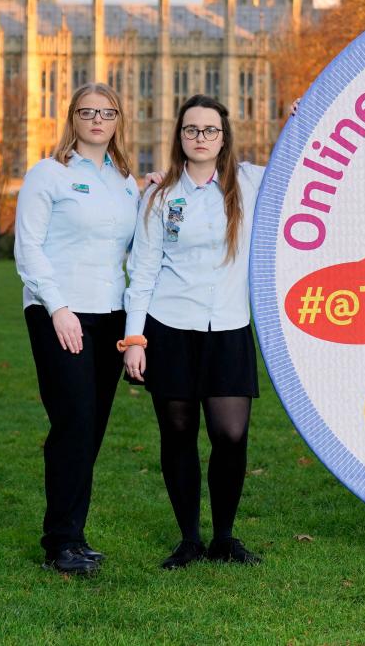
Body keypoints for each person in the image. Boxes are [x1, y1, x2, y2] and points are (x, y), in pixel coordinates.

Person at [121, 94, 275, 569]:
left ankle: (224, 538)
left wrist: (306, 118)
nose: (201, 138)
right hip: (170, 329)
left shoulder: (249, 183)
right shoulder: (160, 196)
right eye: (191, 130)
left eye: (210, 130)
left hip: (229, 327)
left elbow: (303, 163)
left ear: (224, 137)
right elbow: (142, 272)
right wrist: (134, 340)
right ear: (179, 137)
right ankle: (189, 539)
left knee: (230, 434)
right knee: (179, 433)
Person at [14, 82, 139, 574]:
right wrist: (58, 307)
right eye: (87, 112)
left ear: (117, 121)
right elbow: (29, 248)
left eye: (106, 113)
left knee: (93, 428)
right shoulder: (49, 174)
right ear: (73, 117)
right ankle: (59, 542)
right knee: (73, 421)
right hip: (58, 312)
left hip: (108, 312)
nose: (96, 121)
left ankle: (75, 533)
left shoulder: (125, 181)